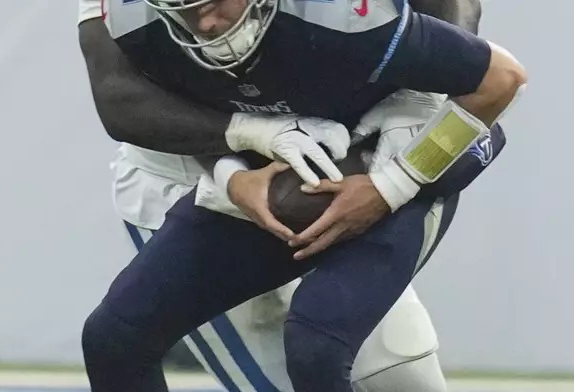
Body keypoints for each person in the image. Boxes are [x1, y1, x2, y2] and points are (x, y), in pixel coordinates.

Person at [77, 0, 526, 390]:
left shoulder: (347, 19)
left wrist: (398, 175)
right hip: (239, 178)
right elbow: (138, 97)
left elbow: (497, 82)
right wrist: (231, 171)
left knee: (369, 365)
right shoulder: (138, 18)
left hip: (377, 162)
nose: (206, 24)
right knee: (116, 337)